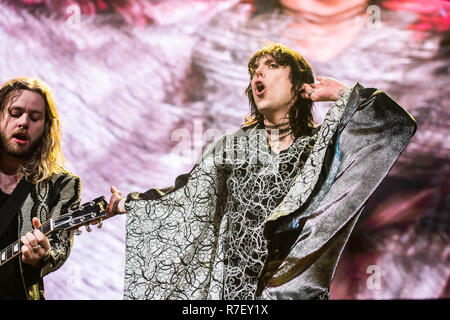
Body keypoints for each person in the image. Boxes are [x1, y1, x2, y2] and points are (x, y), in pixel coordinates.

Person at [107, 43, 416, 300]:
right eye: (254, 69)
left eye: (271, 66)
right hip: (236, 294)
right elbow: (189, 191)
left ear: (299, 84)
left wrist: (345, 96)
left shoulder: (320, 148)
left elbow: (392, 126)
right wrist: (129, 203)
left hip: (291, 290)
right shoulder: (232, 146)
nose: (258, 72)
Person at [0, 77, 81, 300]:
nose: (23, 122)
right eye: (15, 114)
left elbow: (59, 246)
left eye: (35, 118)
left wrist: (42, 256)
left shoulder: (62, 184)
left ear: (46, 128)